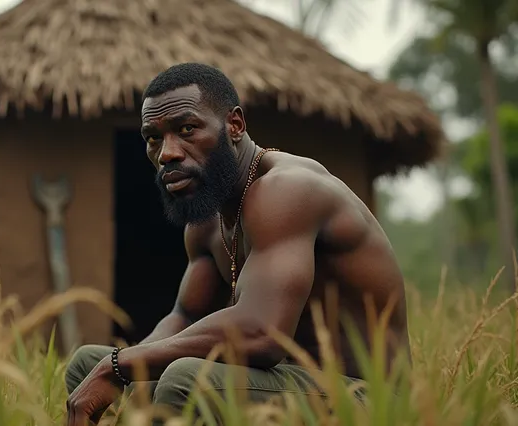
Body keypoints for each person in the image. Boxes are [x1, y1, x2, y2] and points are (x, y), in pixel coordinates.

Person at [64, 62, 411, 425]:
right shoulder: (207, 221)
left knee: (186, 379)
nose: (168, 153)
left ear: (234, 125)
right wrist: (122, 372)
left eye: (187, 129)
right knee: (87, 364)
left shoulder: (287, 190)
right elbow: (185, 317)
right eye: (154, 137)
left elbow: (264, 333)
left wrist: (121, 366)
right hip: (279, 389)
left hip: (370, 400)